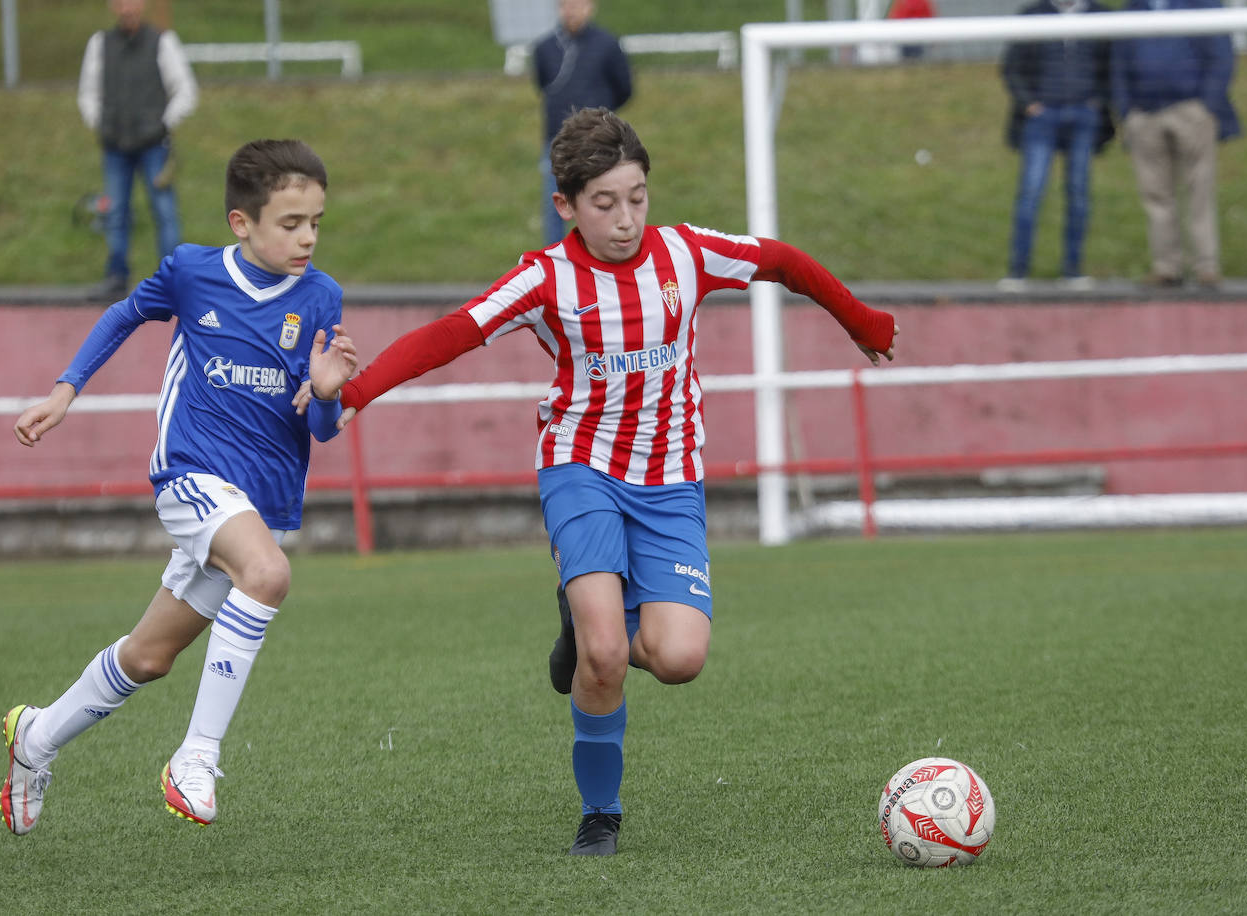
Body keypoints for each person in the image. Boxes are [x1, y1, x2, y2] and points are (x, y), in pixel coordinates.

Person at [306, 109, 898, 856]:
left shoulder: (687, 254)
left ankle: (585, 623)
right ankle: (601, 814)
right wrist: (350, 395)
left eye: (637, 197)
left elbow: (782, 260)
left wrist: (860, 320)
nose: (625, 219)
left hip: (672, 481)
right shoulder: (545, 277)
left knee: (679, 659)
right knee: (608, 657)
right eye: (604, 203)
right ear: (567, 206)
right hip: (580, 471)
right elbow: (450, 333)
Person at [0, 139, 357, 835]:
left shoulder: (322, 297)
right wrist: (64, 390)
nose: (307, 236)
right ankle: (196, 757)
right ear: (241, 223)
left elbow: (323, 427)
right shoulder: (194, 272)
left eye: (316, 221)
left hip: (262, 507)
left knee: (149, 655)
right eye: (290, 223)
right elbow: (124, 315)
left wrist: (324, 392)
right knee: (268, 573)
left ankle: (34, 739)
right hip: (191, 478)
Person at [1110, 0, 1240, 289]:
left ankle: (1206, 266)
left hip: (1191, 111)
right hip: (1144, 114)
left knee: (1199, 191)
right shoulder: (1133, 11)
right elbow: (1118, 64)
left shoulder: (1204, 5)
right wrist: (1127, 111)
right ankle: (1167, 266)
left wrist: (1207, 104)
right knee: (1155, 195)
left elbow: (1221, 56)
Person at [78, 0, 198, 301]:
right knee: (116, 211)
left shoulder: (162, 42)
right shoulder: (99, 44)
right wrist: (101, 124)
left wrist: (164, 122)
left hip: (154, 144)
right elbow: (88, 93)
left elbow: (185, 89)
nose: (126, 8)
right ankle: (116, 277)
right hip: (114, 145)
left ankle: (172, 281)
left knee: (164, 210)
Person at [997, 0, 1114, 292]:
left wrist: (1098, 101)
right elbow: (1011, 67)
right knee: (1031, 193)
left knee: (1079, 193)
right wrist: (1029, 104)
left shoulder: (1102, 18)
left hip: (1084, 116)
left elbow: (1114, 65)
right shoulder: (1032, 17)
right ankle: (1018, 271)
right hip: (1041, 117)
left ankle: (1072, 271)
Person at [533, 0, 632, 246]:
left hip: (597, 141)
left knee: (601, 199)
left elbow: (624, 88)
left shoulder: (607, 44)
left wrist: (599, 116)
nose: (572, 10)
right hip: (557, 140)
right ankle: (555, 261)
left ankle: (603, 253)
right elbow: (543, 83)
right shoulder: (545, 47)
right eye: (566, 4)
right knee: (556, 202)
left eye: (578, 4)